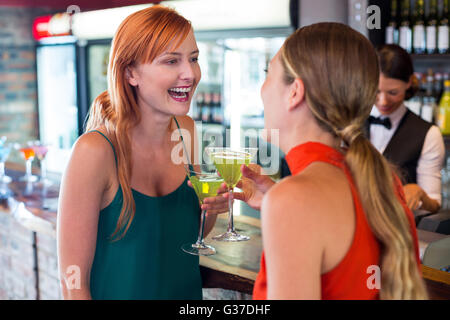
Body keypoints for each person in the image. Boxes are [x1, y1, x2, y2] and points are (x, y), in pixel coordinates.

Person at [225, 23, 428, 299]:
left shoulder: (295, 199)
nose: (261, 90)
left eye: (267, 74)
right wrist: (279, 202)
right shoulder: (381, 178)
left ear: (295, 92)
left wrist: (286, 204)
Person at [57, 5, 228, 300]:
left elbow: (190, 235)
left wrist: (213, 208)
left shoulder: (186, 131)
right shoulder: (94, 151)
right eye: (171, 61)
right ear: (131, 73)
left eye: (194, 59)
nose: (190, 73)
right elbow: (73, 282)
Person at [364, 44, 445, 213]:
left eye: (393, 92)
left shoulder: (428, 134)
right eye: (376, 91)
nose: (383, 101)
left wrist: (420, 193)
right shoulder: (351, 121)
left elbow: (435, 205)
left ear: (409, 82)